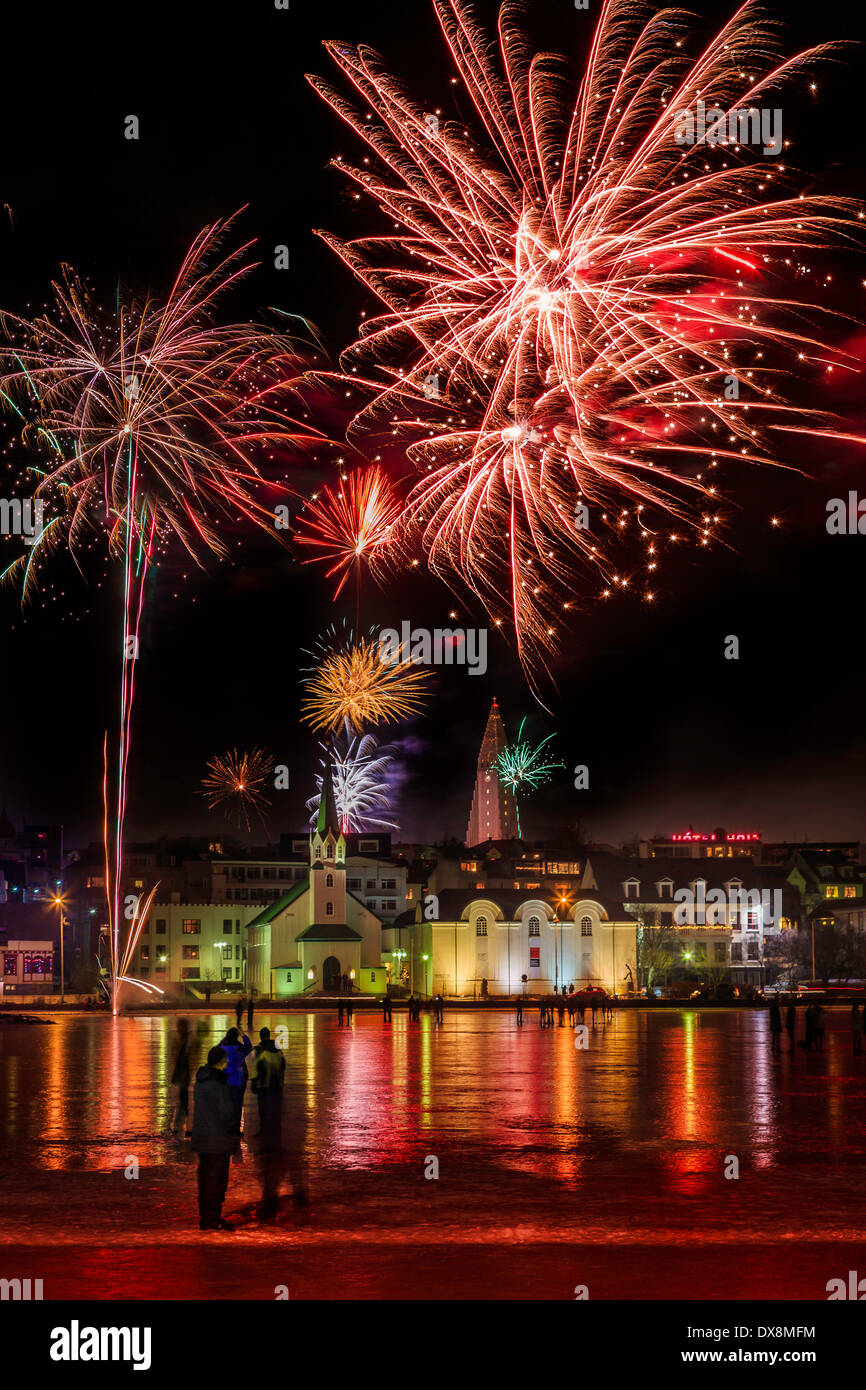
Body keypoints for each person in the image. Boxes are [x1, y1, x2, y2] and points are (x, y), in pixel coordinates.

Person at [191, 1045, 238, 1232]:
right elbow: (227, 1113)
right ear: (220, 1062)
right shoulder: (219, 1086)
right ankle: (213, 1220)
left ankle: (206, 1218)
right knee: (217, 1181)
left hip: (203, 1139)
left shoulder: (200, 1082)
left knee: (205, 1180)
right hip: (218, 1140)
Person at [251, 1027, 286, 1138]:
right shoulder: (278, 1050)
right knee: (276, 1109)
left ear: (261, 1036)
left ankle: (264, 1130)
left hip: (264, 1085)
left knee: (263, 1109)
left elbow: (256, 1067)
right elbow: (283, 1066)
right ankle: (276, 1131)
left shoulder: (260, 1050)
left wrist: (254, 1083)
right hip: (277, 1085)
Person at [219, 1025, 253, 1124]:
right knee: (238, 1104)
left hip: (226, 1080)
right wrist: (243, 1035)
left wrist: (224, 1039)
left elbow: (215, 1049)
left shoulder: (222, 1049)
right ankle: (236, 1126)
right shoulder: (240, 1049)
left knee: (227, 1103)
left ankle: (227, 1125)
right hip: (239, 1080)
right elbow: (249, 1047)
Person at [170, 1018, 193, 1137]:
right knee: (183, 1102)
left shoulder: (186, 1041)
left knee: (183, 1102)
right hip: (182, 1077)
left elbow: (183, 1060)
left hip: (184, 1077)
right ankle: (182, 1127)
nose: (179, 1030)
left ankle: (181, 1127)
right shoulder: (181, 1041)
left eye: (181, 1027)